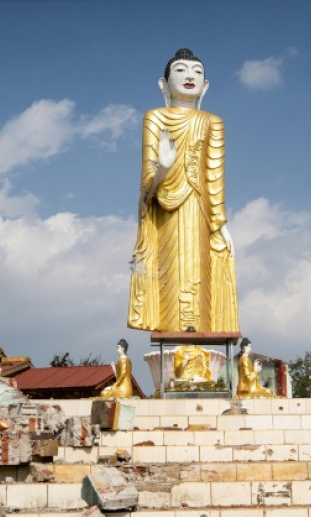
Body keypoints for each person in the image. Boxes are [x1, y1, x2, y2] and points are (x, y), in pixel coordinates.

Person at [128, 48, 239, 333]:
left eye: (197, 72)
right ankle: (172, 334)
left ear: (205, 86)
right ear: (163, 84)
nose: (190, 76)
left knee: (200, 276)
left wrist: (221, 226)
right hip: (166, 213)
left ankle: (198, 336)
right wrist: (163, 168)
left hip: (200, 211)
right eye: (180, 70)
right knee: (171, 276)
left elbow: (215, 177)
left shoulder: (212, 122)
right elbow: (147, 189)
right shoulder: (155, 118)